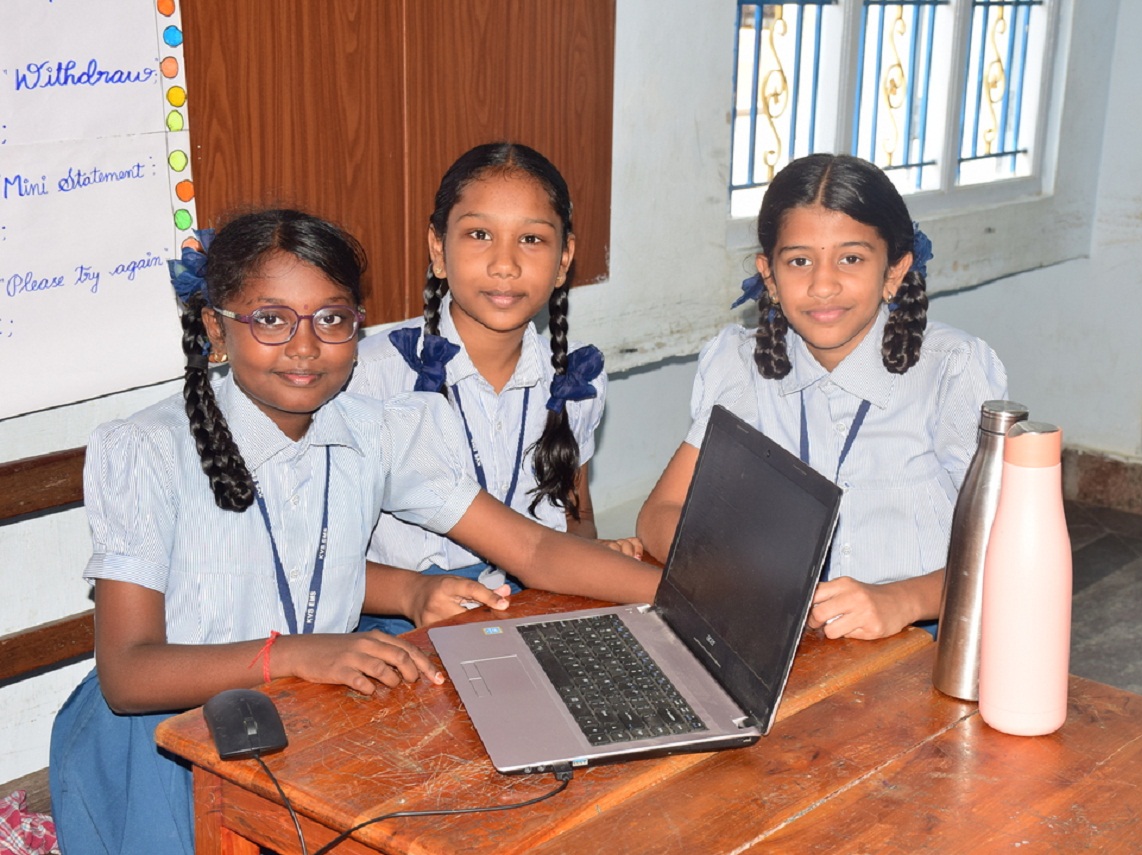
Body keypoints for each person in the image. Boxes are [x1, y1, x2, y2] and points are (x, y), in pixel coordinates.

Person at [49, 209, 660, 855]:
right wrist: (295, 653)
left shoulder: (378, 430)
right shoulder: (147, 450)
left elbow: (531, 546)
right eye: (271, 319)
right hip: (166, 743)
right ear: (215, 329)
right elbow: (128, 674)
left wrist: (686, 596)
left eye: (331, 319)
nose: (305, 346)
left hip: (307, 708)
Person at [636, 154, 1007, 641]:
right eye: (799, 261)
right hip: (786, 637)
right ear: (769, 277)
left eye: (851, 258)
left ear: (894, 271)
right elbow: (659, 515)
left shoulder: (951, 370)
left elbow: (1009, 547)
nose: (823, 285)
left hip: (925, 636)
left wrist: (903, 599)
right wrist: (738, 572)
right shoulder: (739, 365)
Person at [349, 142, 640, 632]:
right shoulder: (371, 376)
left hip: (536, 603)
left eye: (532, 239)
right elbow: (316, 562)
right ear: (438, 249)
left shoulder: (577, 376)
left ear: (564, 259)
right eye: (480, 234)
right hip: (404, 619)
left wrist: (591, 556)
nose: (505, 264)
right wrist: (410, 593)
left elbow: (577, 517)